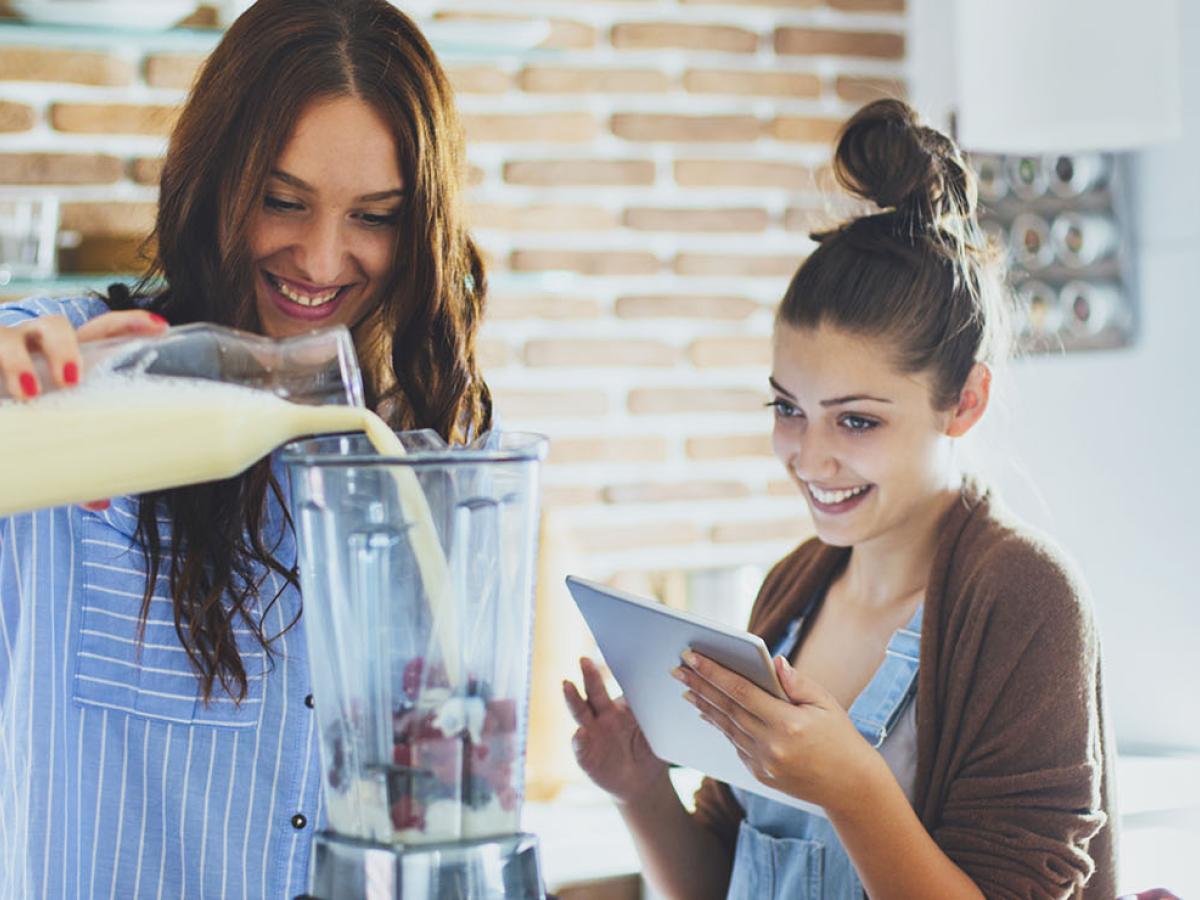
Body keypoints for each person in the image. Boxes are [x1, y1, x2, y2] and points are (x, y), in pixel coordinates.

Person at [564, 99, 1117, 899]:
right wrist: (640, 789)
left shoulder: (1025, 599)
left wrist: (853, 788)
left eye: (856, 420)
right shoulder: (793, 587)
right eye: (788, 408)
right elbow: (723, 882)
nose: (809, 455)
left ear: (964, 402)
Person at [0, 0, 489, 895]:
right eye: (281, 201)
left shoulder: (423, 435)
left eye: (374, 216)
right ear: (215, 177)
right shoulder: (75, 369)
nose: (322, 259)